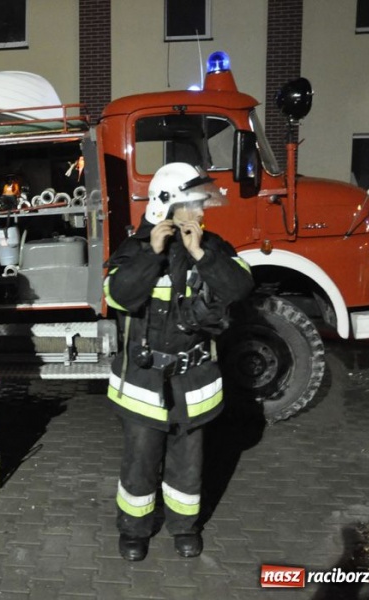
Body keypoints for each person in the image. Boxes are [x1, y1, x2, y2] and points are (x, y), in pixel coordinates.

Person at [102, 163, 253, 561]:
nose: (202, 212)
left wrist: (201, 254)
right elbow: (119, 296)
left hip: (194, 379)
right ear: (167, 204)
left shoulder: (212, 246)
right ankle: (134, 531)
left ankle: (184, 527)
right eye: (195, 204)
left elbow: (239, 288)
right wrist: (152, 255)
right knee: (140, 461)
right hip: (144, 380)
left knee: (188, 463)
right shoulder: (135, 249)